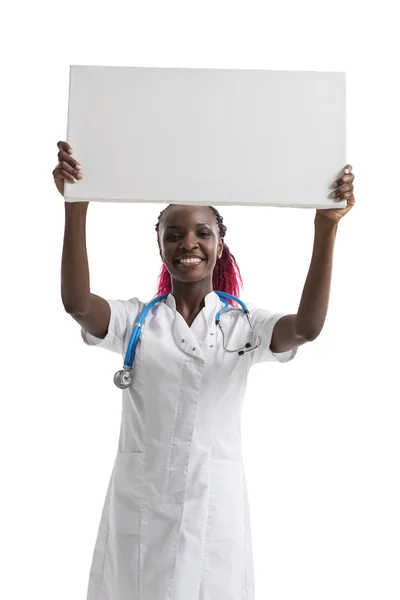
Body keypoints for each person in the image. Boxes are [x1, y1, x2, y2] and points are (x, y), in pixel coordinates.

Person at [54, 140, 356, 600]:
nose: (188, 243)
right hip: (144, 509)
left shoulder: (245, 324)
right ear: (160, 247)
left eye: (202, 232)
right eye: (173, 234)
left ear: (220, 245)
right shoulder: (135, 321)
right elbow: (77, 303)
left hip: (215, 505)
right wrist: (76, 206)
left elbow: (308, 328)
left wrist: (326, 227)